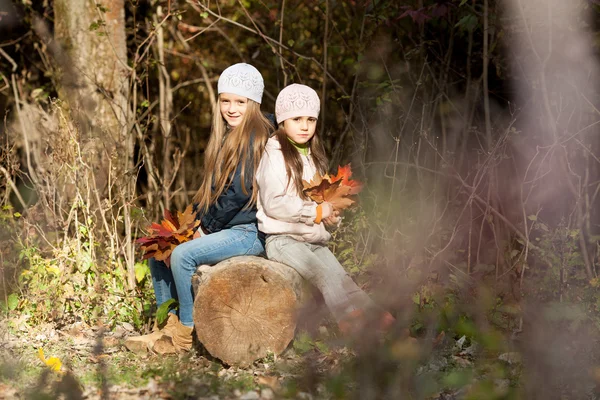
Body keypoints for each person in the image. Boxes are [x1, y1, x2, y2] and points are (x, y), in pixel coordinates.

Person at [126, 63, 274, 354]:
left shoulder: (256, 135)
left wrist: (205, 229)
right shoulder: (226, 135)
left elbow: (238, 193)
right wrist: (187, 225)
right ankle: (166, 326)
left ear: (253, 103)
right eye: (225, 101)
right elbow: (210, 193)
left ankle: (184, 335)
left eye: (240, 102)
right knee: (161, 250)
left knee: (182, 255)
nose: (231, 108)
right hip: (226, 227)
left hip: (247, 231)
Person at [256, 83, 394, 336]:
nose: (305, 126)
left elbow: (321, 203)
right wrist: (317, 213)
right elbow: (274, 203)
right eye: (296, 119)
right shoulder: (274, 154)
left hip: (312, 239)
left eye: (310, 119)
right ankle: (361, 334)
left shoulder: (312, 156)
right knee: (325, 277)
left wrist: (331, 219)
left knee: (345, 282)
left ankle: (388, 330)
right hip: (284, 241)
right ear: (282, 121)